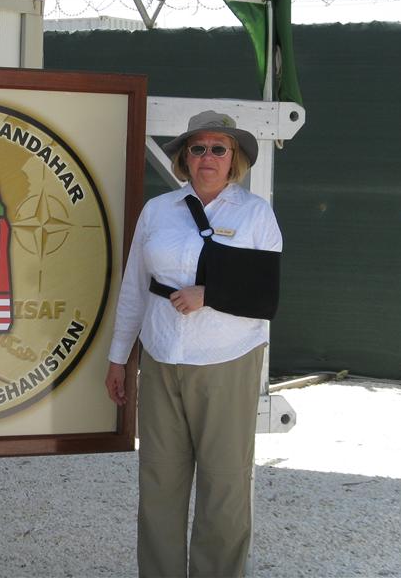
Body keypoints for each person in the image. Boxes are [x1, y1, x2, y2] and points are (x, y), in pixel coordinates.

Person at [105, 110, 282, 578]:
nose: (207, 157)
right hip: (163, 356)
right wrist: (119, 357)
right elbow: (133, 287)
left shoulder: (255, 215)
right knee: (159, 482)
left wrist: (210, 294)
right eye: (197, 148)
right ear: (185, 157)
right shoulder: (158, 211)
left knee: (224, 487)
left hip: (227, 359)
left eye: (218, 148)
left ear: (234, 158)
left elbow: (265, 295)